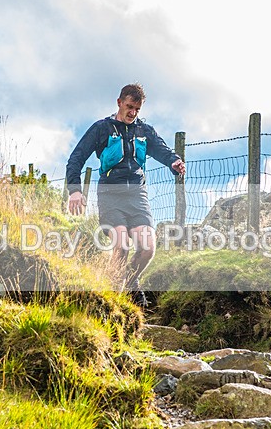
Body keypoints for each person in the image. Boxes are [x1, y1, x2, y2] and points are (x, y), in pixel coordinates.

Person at [66, 83, 186, 308]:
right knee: (121, 247)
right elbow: (76, 158)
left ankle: (130, 282)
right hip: (110, 195)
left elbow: (162, 149)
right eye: (129, 107)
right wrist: (74, 190)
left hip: (137, 196)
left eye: (137, 110)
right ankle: (112, 302)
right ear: (119, 102)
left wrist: (174, 161)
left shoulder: (144, 130)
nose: (133, 113)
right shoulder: (101, 128)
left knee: (148, 248)